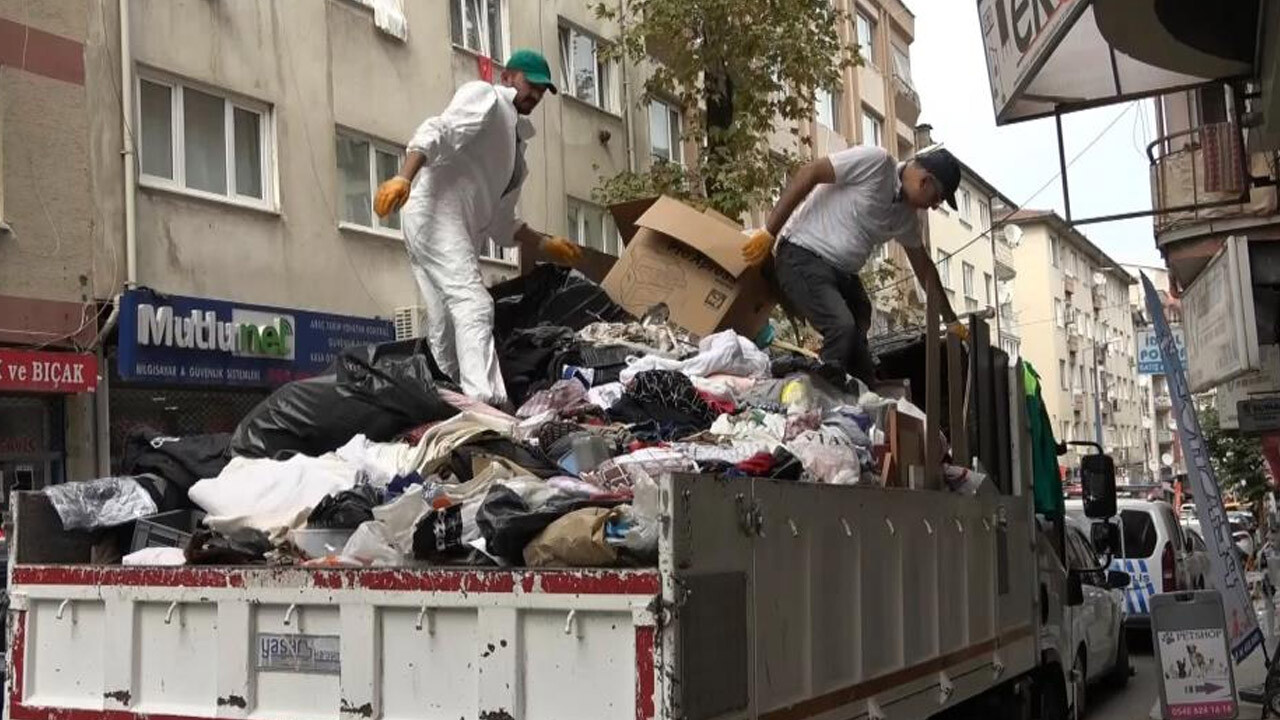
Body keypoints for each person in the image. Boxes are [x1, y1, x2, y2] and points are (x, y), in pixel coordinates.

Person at [373, 50, 581, 406]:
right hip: (434, 213)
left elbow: (501, 225)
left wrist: (545, 245)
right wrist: (403, 177)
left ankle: (449, 397)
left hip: (452, 228)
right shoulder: (485, 97)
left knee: (446, 326)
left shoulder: (517, 153)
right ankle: (487, 404)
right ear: (508, 77)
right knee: (474, 303)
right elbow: (439, 129)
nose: (536, 94)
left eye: (543, 90)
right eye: (531, 84)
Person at [742, 145, 964, 384]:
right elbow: (811, 172)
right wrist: (769, 232)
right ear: (925, 181)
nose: (934, 206)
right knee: (841, 327)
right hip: (801, 255)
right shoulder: (877, 163)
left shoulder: (906, 218)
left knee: (859, 338)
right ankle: (815, 402)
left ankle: (863, 399)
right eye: (936, 198)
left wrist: (950, 320)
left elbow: (925, 269)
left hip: (841, 274)